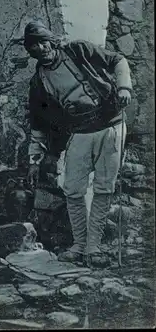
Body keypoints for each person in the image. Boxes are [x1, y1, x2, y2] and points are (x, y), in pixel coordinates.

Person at [24, 20, 132, 267]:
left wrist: (124, 86)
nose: (40, 49)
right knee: (73, 188)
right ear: (30, 52)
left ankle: (93, 247)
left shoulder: (78, 50)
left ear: (52, 41)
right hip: (79, 131)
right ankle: (79, 245)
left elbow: (118, 60)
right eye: (33, 46)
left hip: (110, 124)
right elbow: (38, 124)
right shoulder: (38, 83)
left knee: (104, 187)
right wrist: (34, 160)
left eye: (43, 42)